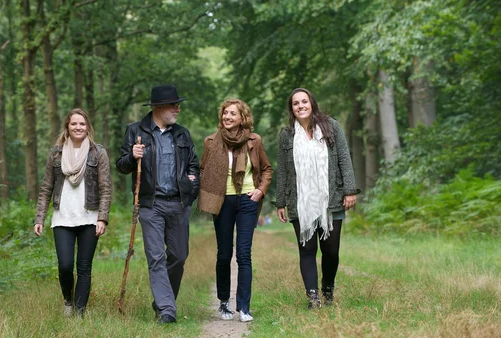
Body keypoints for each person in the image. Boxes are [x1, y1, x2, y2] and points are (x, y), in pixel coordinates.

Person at [116, 84, 199, 324]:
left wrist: (191, 187)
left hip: (178, 203)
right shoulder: (135, 131)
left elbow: (193, 165)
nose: (178, 109)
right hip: (150, 205)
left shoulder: (182, 134)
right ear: (159, 108)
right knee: (155, 256)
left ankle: (163, 300)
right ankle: (166, 309)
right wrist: (132, 156)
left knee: (179, 256)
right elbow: (121, 166)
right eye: (174, 105)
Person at [274, 88, 359, 309]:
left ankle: (327, 289)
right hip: (300, 201)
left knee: (331, 250)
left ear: (312, 103)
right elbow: (282, 170)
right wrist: (281, 201)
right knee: (307, 249)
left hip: (331, 199)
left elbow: (343, 157)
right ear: (291, 108)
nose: (300, 106)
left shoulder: (331, 126)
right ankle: (313, 297)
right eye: (295, 103)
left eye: (304, 101)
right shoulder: (287, 135)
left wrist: (350, 190)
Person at [198, 99, 273, 322]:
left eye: (233, 114)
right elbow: (203, 170)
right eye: (225, 113)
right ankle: (223, 303)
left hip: (248, 200)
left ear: (243, 118)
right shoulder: (211, 141)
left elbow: (267, 169)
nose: (227, 117)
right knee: (224, 254)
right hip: (221, 201)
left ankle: (244, 307)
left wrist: (260, 190)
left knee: (243, 254)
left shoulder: (254, 140)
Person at [34, 108, 112, 317]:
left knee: (84, 267)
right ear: (67, 127)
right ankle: (68, 300)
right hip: (62, 218)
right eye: (74, 124)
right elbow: (46, 188)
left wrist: (102, 218)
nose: (78, 127)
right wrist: (39, 217)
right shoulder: (56, 153)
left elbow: (105, 188)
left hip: (89, 217)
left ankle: (79, 313)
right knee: (66, 265)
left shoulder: (98, 152)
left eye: (82, 124)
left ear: (88, 128)